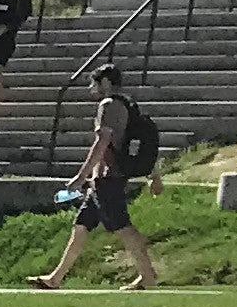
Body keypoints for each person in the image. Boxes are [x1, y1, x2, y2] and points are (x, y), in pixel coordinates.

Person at [30, 60, 160, 290]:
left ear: (106, 83)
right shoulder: (129, 104)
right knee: (81, 226)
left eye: (94, 83)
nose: (92, 89)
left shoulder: (108, 105)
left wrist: (81, 176)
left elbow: (102, 142)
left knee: (122, 226)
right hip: (104, 178)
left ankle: (147, 274)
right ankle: (55, 278)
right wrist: (154, 174)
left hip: (108, 177)